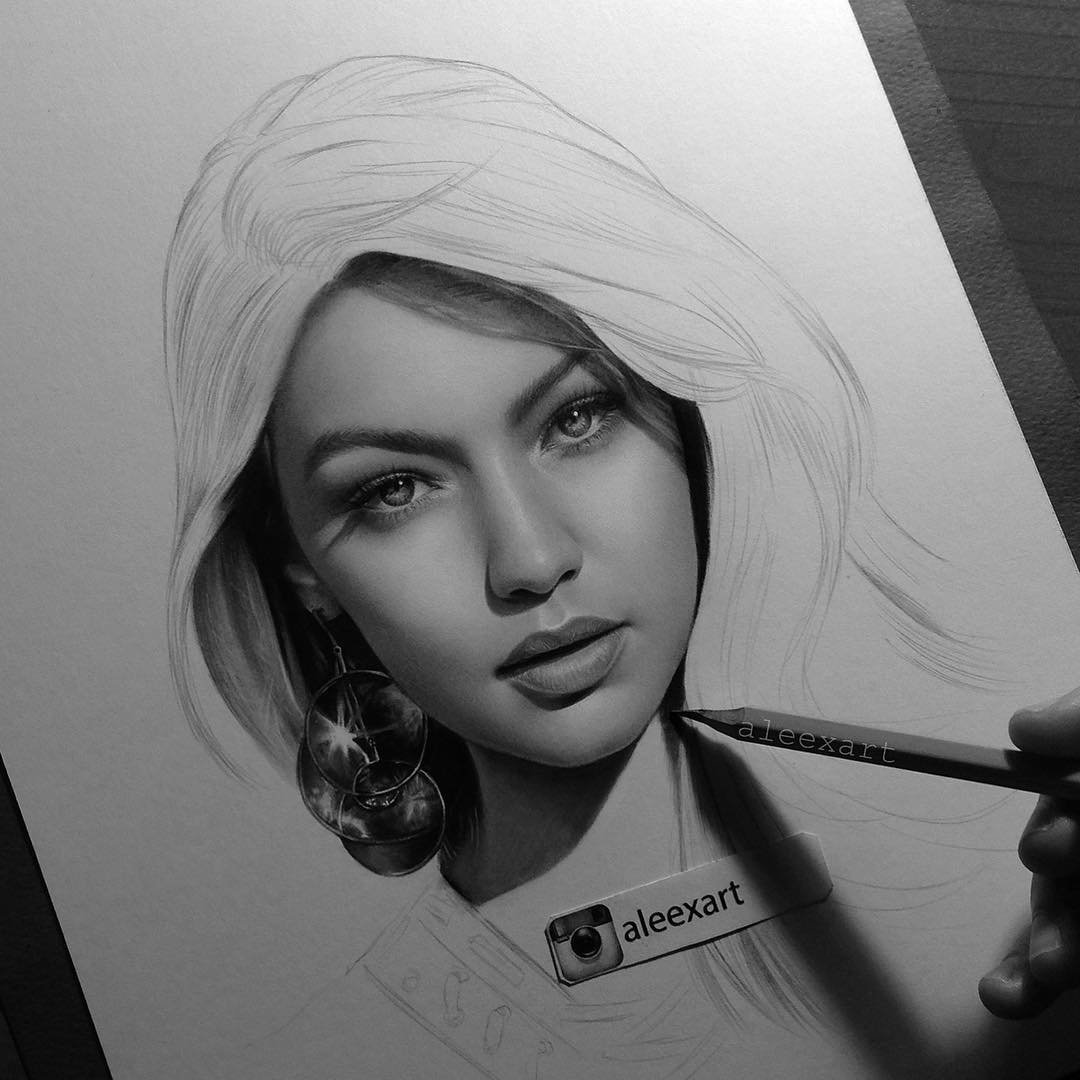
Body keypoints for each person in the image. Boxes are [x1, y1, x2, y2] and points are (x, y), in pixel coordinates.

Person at [164, 55, 1075, 1076]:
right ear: (299, 567)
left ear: (686, 418)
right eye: (395, 488)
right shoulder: (328, 1049)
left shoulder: (1005, 881)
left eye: (577, 418)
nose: (530, 560)